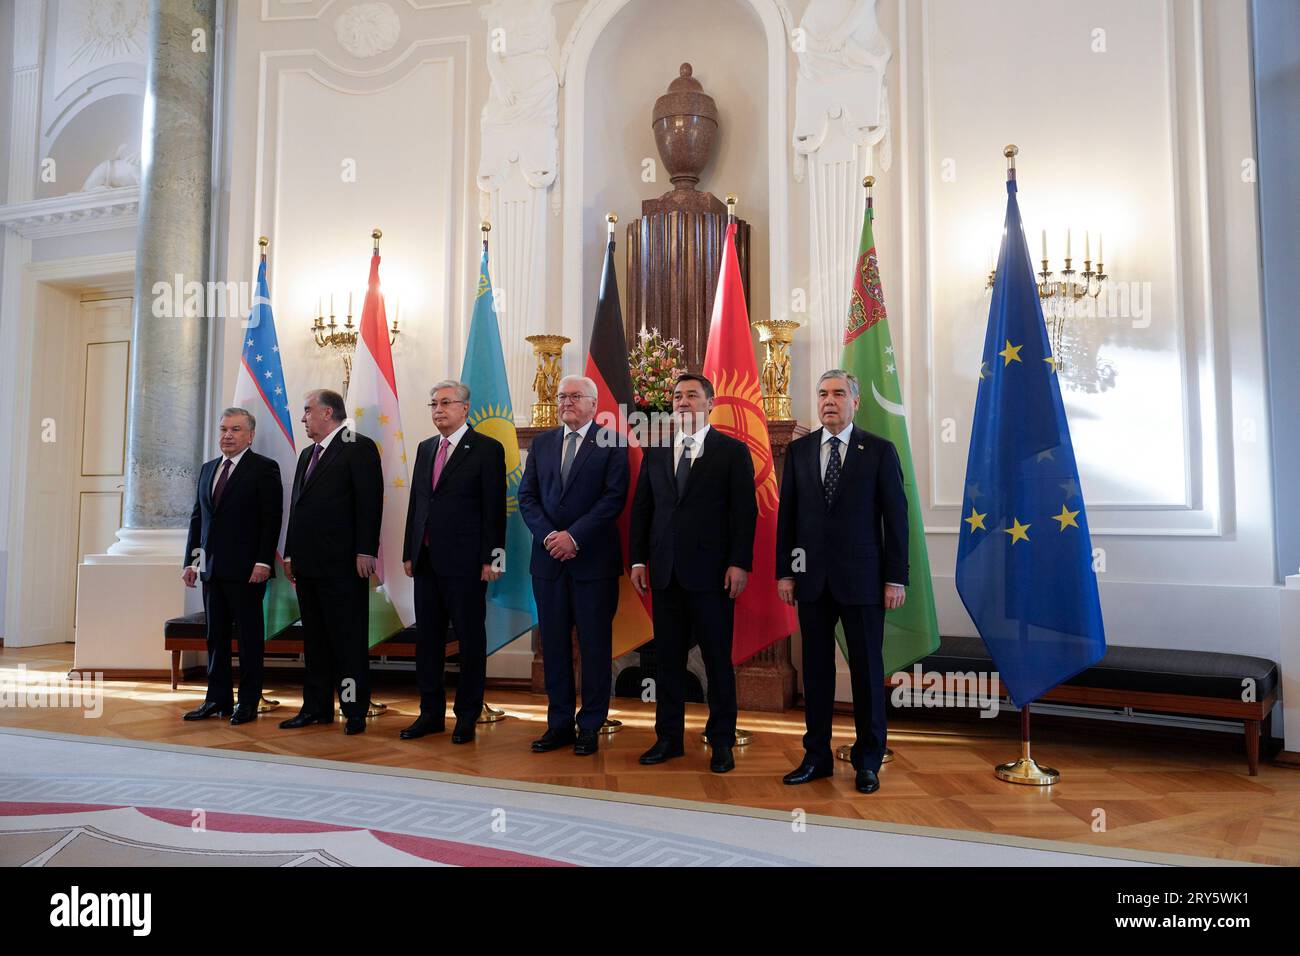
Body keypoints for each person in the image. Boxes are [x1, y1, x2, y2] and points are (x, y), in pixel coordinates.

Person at [775, 369, 908, 794]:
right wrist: (785, 571)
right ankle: (816, 757)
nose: (829, 401)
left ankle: (868, 760)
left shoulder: (880, 451)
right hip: (811, 581)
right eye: (822, 394)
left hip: (865, 582)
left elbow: (897, 521)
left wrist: (895, 578)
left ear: (855, 403)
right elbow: (788, 519)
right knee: (815, 673)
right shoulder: (798, 452)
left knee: (867, 672)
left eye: (837, 394)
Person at [630, 373, 757, 774]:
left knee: (718, 661)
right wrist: (637, 560)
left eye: (691, 395)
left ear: (709, 402)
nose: (682, 401)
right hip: (665, 573)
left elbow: (744, 513)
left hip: (714, 575)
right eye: (677, 396)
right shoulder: (655, 451)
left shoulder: (731, 452)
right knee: (666, 661)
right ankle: (668, 738)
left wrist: (740, 563)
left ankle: (721, 741)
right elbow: (642, 511)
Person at [518, 375, 629, 755]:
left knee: (595, 648)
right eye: (562, 396)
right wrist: (551, 537)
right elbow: (527, 497)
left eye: (574, 396)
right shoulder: (543, 443)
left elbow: (613, 500)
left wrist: (574, 537)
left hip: (592, 563)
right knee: (554, 648)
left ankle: (590, 725)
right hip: (547, 563)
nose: (565, 401)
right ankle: (559, 724)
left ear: (593, 403)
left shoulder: (612, 443)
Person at [400, 380, 506, 744]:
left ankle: (466, 715)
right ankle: (430, 713)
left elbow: (494, 510)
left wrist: (493, 559)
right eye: (433, 404)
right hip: (426, 560)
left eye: (445, 403)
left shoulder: (486, 449)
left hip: (466, 562)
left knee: (469, 641)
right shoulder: (425, 448)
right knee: (427, 641)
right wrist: (409, 551)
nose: (438, 410)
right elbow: (417, 504)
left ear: (465, 408)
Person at [280, 389, 382, 735]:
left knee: (348, 641)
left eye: (307, 411)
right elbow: (298, 508)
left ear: (327, 412)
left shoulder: (358, 446)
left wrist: (366, 550)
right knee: (315, 641)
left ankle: (354, 710)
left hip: (344, 565)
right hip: (308, 565)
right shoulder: (308, 453)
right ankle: (316, 707)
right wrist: (291, 552)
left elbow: (370, 502)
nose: (303, 418)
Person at [181, 407, 283, 725]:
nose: (227, 435)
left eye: (235, 429)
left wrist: (263, 561)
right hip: (211, 569)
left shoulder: (264, 469)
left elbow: (271, 520)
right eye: (223, 429)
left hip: (248, 571)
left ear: (250, 435)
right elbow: (199, 519)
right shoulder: (208, 468)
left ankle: (248, 702)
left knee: (249, 639)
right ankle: (217, 699)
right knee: (216, 637)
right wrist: (192, 562)